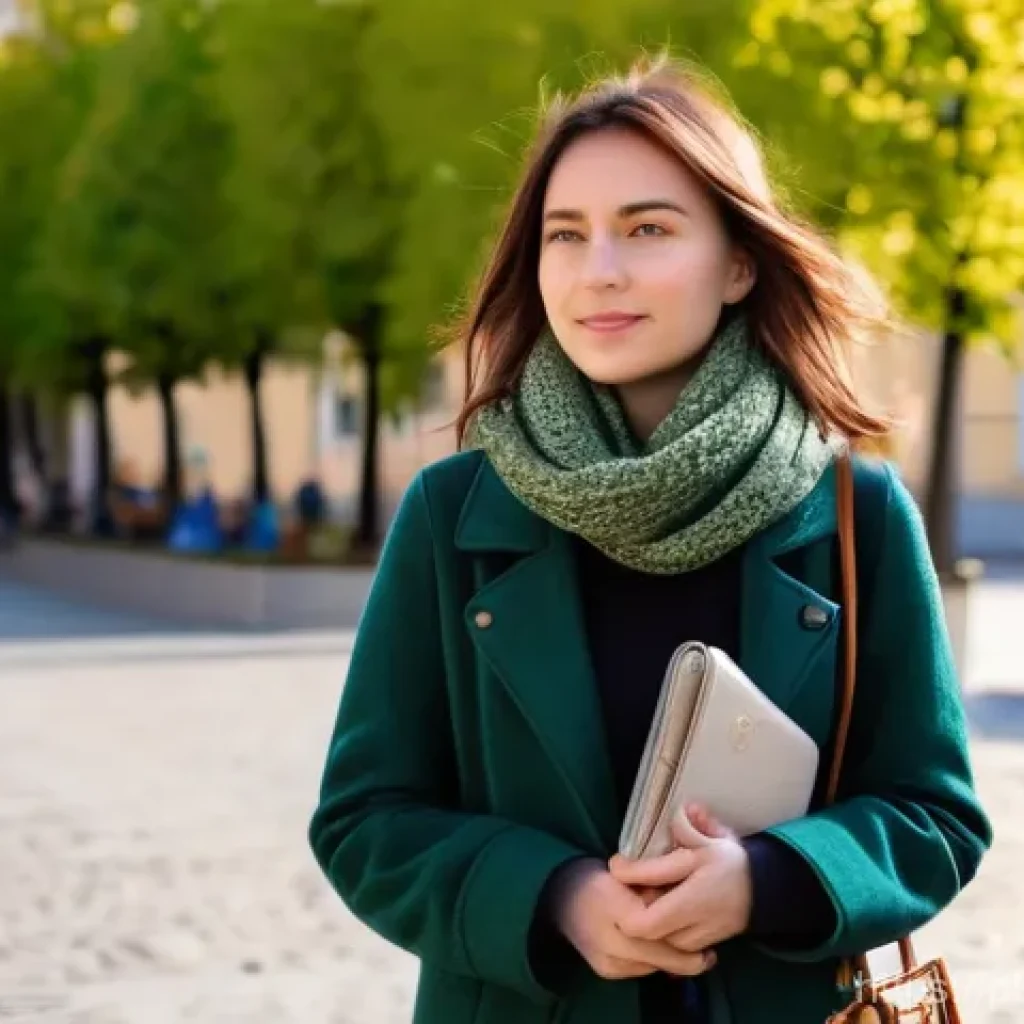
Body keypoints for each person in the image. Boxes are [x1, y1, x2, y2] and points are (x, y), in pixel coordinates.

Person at [308, 56, 992, 1024]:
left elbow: (932, 815)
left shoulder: (852, 510)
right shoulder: (455, 511)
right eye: (565, 235)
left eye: (647, 229)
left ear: (739, 262)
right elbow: (365, 820)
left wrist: (768, 878)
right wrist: (553, 898)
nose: (600, 271)